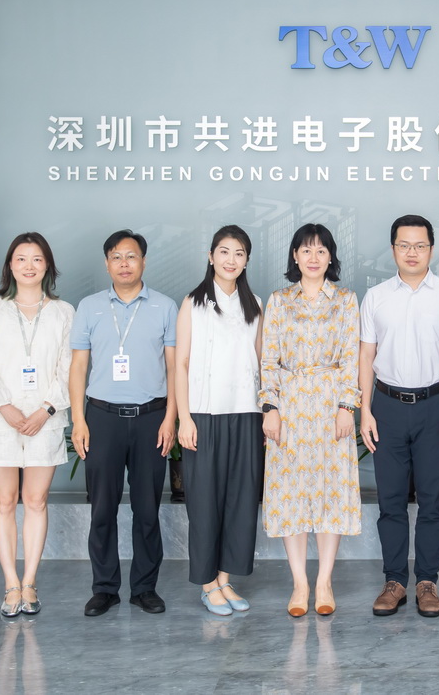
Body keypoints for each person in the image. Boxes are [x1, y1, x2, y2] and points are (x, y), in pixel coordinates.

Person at [360, 214, 439, 619]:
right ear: (393, 248)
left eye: (420, 245)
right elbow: (366, 356)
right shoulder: (375, 297)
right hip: (386, 406)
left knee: (432, 501)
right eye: (404, 245)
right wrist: (364, 410)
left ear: (431, 249)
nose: (412, 252)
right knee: (390, 501)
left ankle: (427, 582)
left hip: (434, 406)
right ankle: (394, 581)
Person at [69, 230, 178, 617]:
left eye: (131, 256)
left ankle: (144, 587)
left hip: (151, 418)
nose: (124, 264)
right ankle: (104, 588)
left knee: (147, 510)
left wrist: (170, 418)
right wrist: (78, 420)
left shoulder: (165, 307)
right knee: (102, 509)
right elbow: (78, 367)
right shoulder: (89, 307)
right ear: (107, 264)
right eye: (116, 257)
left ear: (144, 261)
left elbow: (174, 368)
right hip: (102, 418)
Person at [0, 232, 73, 616]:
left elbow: (70, 366)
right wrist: (5, 407)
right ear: (10, 266)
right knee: (4, 501)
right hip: (0, 419)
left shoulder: (64, 312)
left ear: (48, 266)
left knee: (35, 500)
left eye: (37, 259)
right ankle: (10, 584)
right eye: (21, 259)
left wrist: (47, 409)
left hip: (45, 418)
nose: (29, 266)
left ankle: (29, 583)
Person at [260, 223, 361, 617]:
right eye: (306, 250)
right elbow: (268, 359)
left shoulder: (346, 300)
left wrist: (346, 406)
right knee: (292, 493)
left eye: (321, 250)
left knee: (330, 492)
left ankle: (324, 582)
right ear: (295, 256)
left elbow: (351, 357)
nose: (313, 257)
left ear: (330, 256)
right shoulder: (280, 301)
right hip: (289, 409)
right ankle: (300, 583)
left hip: (330, 408)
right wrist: (270, 407)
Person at [175, 225, 265, 616]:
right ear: (211, 256)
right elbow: (180, 364)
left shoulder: (255, 304)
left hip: (246, 414)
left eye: (239, 253)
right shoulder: (192, 303)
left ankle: (225, 580)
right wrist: (184, 418)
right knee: (205, 502)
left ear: (246, 260)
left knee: (241, 501)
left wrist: (267, 412)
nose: (231, 260)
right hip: (204, 415)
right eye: (224, 252)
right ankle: (207, 584)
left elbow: (262, 362)